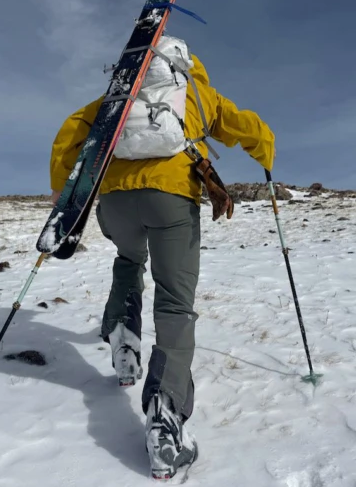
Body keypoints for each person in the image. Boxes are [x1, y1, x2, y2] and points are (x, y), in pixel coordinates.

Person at [48, 35, 275, 479]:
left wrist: (62, 188)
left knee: (128, 262)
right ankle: (165, 417)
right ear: (185, 62)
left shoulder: (118, 94)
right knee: (174, 301)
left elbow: (72, 130)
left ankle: (121, 333)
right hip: (171, 199)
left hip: (115, 201)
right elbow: (244, 126)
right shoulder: (198, 92)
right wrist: (265, 149)